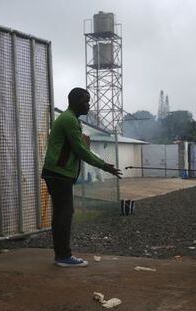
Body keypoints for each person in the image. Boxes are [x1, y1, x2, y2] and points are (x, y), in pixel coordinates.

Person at [42, 87, 122, 267]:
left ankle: (61, 255)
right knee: (64, 214)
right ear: (76, 102)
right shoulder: (69, 120)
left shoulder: (70, 120)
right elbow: (81, 150)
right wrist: (104, 166)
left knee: (61, 214)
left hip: (56, 173)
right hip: (58, 173)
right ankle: (63, 256)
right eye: (86, 101)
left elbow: (78, 148)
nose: (88, 104)